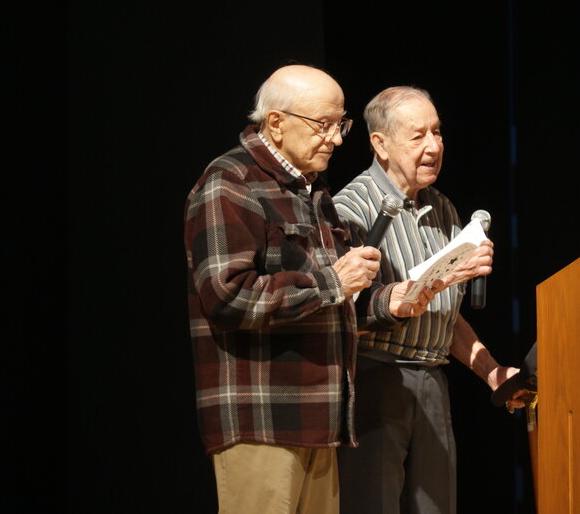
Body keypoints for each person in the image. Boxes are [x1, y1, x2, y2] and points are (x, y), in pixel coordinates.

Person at [183, 65, 440, 514]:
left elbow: (333, 300)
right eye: (324, 125)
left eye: (340, 125)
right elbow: (227, 296)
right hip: (262, 419)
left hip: (321, 421)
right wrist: (332, 282)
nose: (337, 139)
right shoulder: (231, 182)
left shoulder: (313, 191)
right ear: (276, 122)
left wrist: (389, 302)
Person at [332, 85, 524, 514]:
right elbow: (340, 311)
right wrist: (422, 289)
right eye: (418, 136)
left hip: (431, 381)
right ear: (380, 145)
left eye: (437, 133)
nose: (434, 146)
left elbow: (442, 315)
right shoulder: (350, 209)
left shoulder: (443, 209)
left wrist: (491, 372)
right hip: (375, 379)